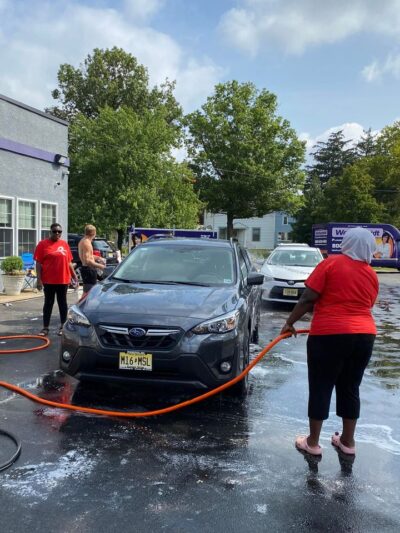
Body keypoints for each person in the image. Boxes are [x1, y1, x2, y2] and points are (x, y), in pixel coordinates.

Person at [280, 227, 379, 457]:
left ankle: (312, 443)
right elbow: (368, 304)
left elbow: (308, 298)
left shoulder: (330, 264)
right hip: (364, 336)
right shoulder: (371, 274)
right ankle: (347, 442)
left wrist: (289, 322)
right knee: (350, 387)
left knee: (321, 386)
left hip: (328, 335)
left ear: (346, 243)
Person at [34, 223, 78, 336]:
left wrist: (74, 276)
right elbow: (38, 263)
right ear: (50, 232)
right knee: (48, 303)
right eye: (54, 231)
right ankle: (45, 328)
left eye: (59, 231)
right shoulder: (42, 244)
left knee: (62, 303)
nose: (57, 233)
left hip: (63, 280)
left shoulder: (64, 244)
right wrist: (39, 280)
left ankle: (63, 326)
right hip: (49, 280)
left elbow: (69, 262)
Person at [78, 224, 106, 294]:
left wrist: (99, 258)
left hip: (87, 269)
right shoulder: (86, 243)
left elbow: (89, 256)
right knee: (88, 293)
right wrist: (101, 266)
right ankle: (83, 302)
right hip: (88, 270)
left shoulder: (84, 241)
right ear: (94, 233)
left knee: (87, 292)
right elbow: (87, 260)